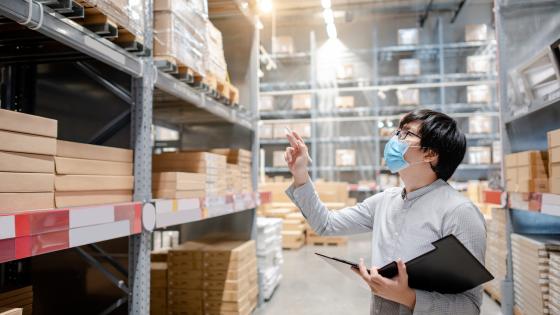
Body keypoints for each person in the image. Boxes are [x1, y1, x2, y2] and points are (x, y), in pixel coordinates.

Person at [283, 109, 486, 315]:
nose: (394, 140)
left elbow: (470, 305)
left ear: (430, 153)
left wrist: (408, 297)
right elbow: (326, 224)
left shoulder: (459, 213)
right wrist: (300, 173)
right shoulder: (385, 201)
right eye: (397, 133)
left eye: (406, 133)